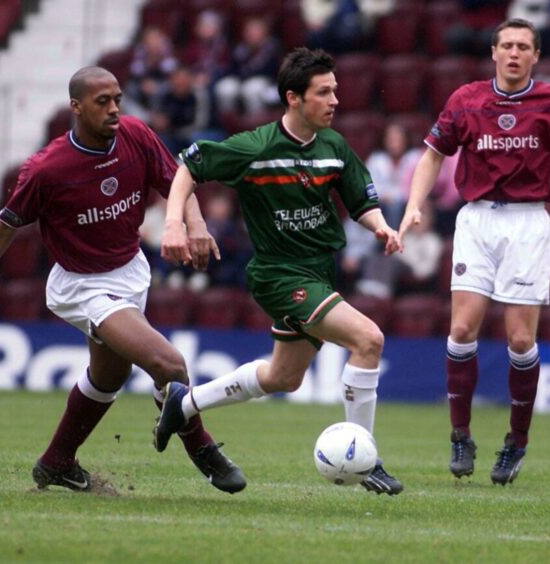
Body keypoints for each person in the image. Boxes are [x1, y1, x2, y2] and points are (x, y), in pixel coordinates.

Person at [0, 66, 247, 495]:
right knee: (169, 365)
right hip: (83, 286)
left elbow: (178, 183)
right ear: (76, 107)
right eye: (102, 102)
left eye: (117, 99)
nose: (114, 109)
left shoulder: (136, 135)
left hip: (131, 271)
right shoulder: (48, 169)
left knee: (109, 376)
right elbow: (4, 226)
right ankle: (202, 449)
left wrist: (196, 224)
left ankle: (56, 461)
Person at [156, 47, 404, 495]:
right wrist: (177, 221)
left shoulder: (334, 147)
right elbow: (188, 167)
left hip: (318, 273)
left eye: (336, 91)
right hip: (279, 275)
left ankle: (185, 402)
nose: (335, 101)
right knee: (369, 340)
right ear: (294, 98)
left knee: (283, 377)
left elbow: (361, 202)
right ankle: (366, 458)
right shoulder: (255, 147)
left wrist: (382, 226)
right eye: (323, 92)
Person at [399, 18, 550, 485]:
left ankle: (517, 442)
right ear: (493, 52)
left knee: (521, 341)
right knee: (462, 328)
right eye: (506, 45)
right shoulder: (467, 99)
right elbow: (433, 154)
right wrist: (414, 206)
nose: (513, 53)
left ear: (535, 56)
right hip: (477, 219)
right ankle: (460, 435)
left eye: (522, 46)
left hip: (529, 221)